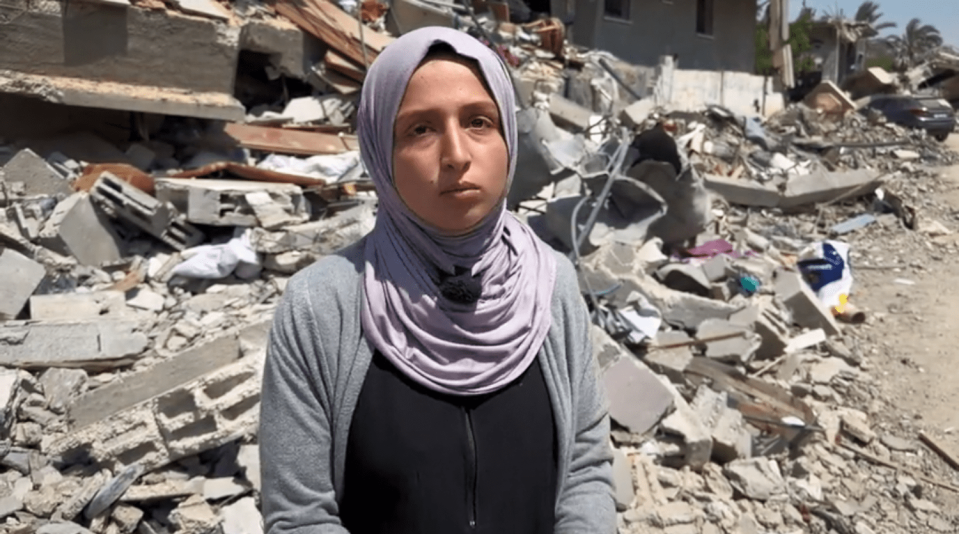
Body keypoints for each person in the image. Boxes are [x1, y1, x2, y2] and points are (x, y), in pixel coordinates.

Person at [259, 26, 615, 534]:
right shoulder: (322, 305)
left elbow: (586, 471)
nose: (456, 154)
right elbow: (300, 516)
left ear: (508, 138)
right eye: (420, 130)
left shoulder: (552, 285)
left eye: (478, 121)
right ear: (381, 151)